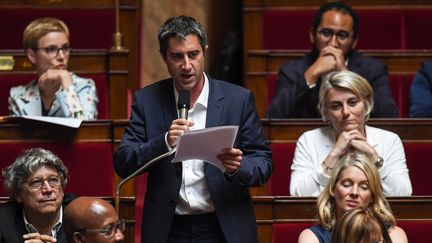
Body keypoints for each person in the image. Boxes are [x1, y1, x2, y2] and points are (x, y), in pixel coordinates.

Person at [114, 15, 272, 243]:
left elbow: (264, 164)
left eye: (193, 54)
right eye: (177, 56)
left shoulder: (238, 99)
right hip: (169, 227)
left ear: (204, 52)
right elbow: (123, 162)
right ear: (164, 58)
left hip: (222, 224)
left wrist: (238, 167)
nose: (186, 65)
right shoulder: (147, 100)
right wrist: (165, 142)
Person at [267, 2, 399, 119]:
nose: (333, 43)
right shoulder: (292, 70)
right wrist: (311, 75)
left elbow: (390, 116)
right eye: (326, 33)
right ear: (312, 35)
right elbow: (274, 116)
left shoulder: (373, 70)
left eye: (342, 35)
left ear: (354, 41)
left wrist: (346, 74)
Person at [290, 70, 411, 196]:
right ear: (325, 112)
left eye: (353, 103)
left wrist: (372, 155)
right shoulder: (309, 140)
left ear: (366, 104)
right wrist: (334, 154)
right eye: (336, 106)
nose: (346, 112)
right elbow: (298, 196)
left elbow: (403, 194)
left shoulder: (389, 140)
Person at [298, 152, 408, 243]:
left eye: (364, 187)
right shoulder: (311, 237)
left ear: (372, 196)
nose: (354, 192)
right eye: (347, 184)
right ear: (332, 188)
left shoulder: (393, 235)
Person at [8, 17, 98, 120]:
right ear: (32, 56)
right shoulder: (18, 96)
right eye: (51, 49)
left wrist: (65, 81)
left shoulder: (84, 87)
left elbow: (86, 131)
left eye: (65, 48)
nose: (61, 56)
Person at [0, 147, 71, 243]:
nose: (48, 189)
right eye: (36, 182)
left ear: (62, 188)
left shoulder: (84, 216)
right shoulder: (3, 220)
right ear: (18, 193)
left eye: (53, 180)